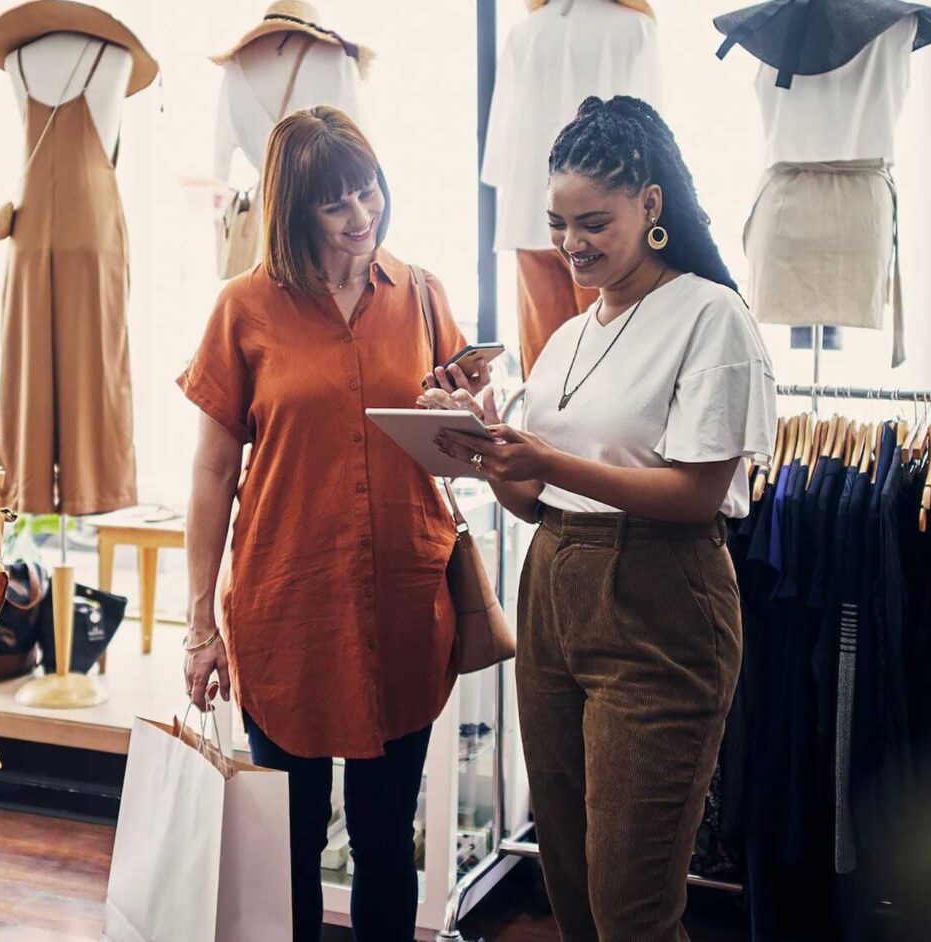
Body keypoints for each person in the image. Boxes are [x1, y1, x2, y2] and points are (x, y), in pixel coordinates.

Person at [427, 96, 776, 941]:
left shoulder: (708, 315)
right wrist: (483, 441)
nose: (572, 245)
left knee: (633, 907)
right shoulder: (570, 337)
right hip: (554, 591)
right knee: (573, 889)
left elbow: (697, 494)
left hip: (660, 601)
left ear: (650, 205)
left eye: (593, 222)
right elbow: (534, 499)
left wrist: (543, 459)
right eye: (557, 225)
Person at [177, 105, 484, 942]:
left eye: (369, 191)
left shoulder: (421, 294)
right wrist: (199, 623)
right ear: (292, 210)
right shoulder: (242, 309)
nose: (362, 216)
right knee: (292, 842)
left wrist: (467, 415)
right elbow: (212, 473)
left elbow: (463, 446)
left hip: (402, 602)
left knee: (387, 839)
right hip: (288, 608)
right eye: (336, 204)